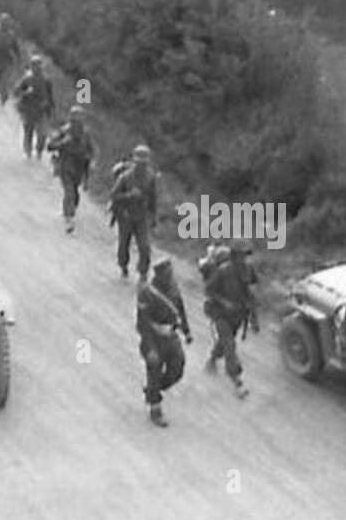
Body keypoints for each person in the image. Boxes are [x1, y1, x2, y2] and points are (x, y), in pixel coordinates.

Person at [136, 258, 192, 428]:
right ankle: (155, 408)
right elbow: (142, 323)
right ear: (158, 275)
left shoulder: (173, 288)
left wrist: (187, 331)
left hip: (171, 335)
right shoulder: (147, 293)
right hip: (153, 337)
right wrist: (150, 348)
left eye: (170, 274)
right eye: (166, 275)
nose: (170, 277)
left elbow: (180, 309)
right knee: (154, 367)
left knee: (177, 368)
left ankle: (153, 390)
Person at [199, 244, 252, 398]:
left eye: (246, 256)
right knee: (230, 344)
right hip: (220, 313)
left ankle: (213, 359)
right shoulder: (222, 272)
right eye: (242, 256)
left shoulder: (247, 270)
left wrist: (253, 316)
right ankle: (237, 381)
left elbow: (250, 292)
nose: (245, 259)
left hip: (237, 314)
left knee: (225, 341)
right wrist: (224, 302)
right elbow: (208, 290)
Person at [108, 144, 159, 280]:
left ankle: (143, 272)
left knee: (145, 246)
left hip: (141, 216)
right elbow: (113, 195)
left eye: (144, 163)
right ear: (134, 162)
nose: (141, 166)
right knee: (124, 243)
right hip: (125, 215)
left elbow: (153, 197)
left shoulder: (151, 176)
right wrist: (129, 195)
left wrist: (153, 216)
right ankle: (123, 265)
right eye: (139, 163)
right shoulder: (125, 177)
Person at [46, 105, 96, 233]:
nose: (77, 124)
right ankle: (69, 218)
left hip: (79, 167)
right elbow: (50, 146)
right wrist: (63, 143)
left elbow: (91, 150)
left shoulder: (86, 134)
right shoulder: (64, 131)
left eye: (79, 121)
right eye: (74, 121)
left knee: (75, 192)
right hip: (65, 164)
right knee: (69, 192)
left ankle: (68, 210)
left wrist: (91, 161)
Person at [14, 55, 55, 158]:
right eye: (35, 66)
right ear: (32, 67)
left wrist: (50, 108)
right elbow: (17, 91)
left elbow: (50, 95)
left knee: (42, 134)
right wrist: (25, 93)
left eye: (39, 66)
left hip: (41, 109)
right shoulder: (27, 79)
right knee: (29, 131)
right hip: (28, 109)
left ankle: (39, 150)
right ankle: (28, 151)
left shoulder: (46, 80)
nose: (37, 68)